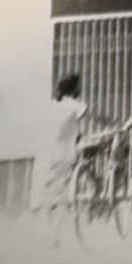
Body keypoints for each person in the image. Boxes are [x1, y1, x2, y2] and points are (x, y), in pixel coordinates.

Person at [30, 73, 88, 213]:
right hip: (64, 151)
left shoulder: (52, 105)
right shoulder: (75, 105)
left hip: (46, 150)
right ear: (73, 89)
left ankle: (41, 210)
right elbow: (93, 117)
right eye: (78, 86)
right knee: (63, 184)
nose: (80, 89)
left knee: (45, 183)